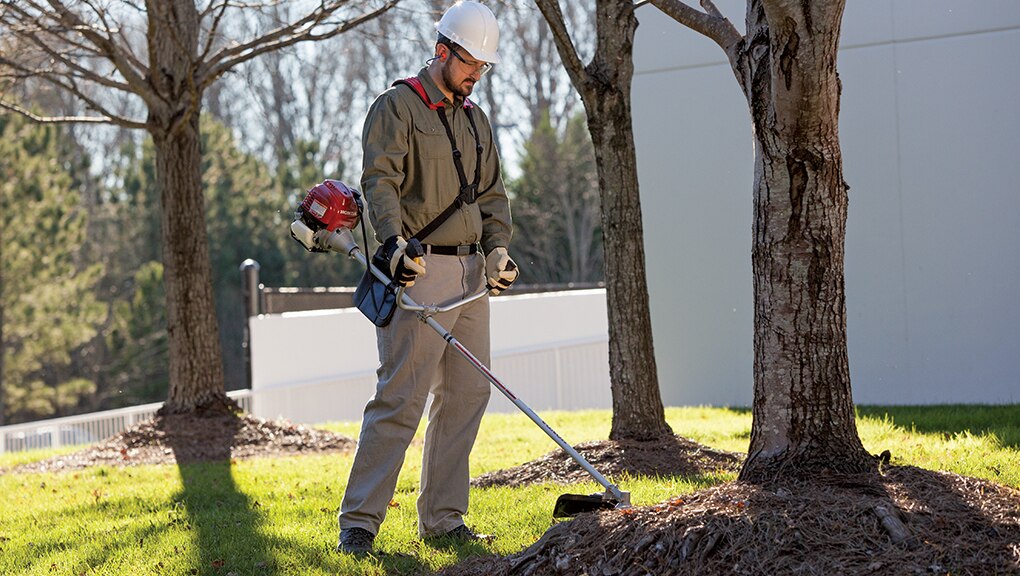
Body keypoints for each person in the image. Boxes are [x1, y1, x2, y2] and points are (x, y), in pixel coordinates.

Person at [337, 1, 518, 556]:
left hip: (471, 277)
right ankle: (360, 523)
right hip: (420, 268)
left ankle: (443, 518)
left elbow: (491, 194)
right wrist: (392, 244)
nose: (475, 75)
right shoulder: (397, 107)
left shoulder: (476, 118)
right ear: (442, 51)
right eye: (469, 64)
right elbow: (381, 180)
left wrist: (497, 250)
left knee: (467, 395)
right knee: (401, 399)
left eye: (484, 68)